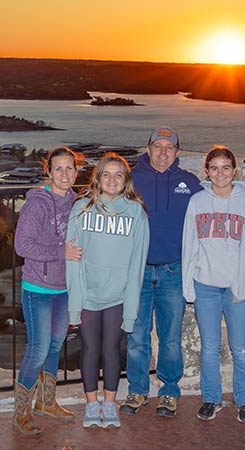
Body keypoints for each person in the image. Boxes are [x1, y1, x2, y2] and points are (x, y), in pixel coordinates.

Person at [121, 126, 201, 418]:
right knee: (137, 335)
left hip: (173, 272)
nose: (163, 152)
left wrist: (238, 192)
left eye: (169, 147)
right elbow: (103, 204)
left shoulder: (189, 182)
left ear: (177, 153)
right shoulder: (131, 179)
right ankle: (138, 391)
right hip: (138, 273)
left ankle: (168, 392)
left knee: (170, 337)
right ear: (148, 149)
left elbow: (210, 207)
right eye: (158, 146)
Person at [66, 153, 149, 428]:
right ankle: (91, 405)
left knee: (112, 349)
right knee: (89, 349)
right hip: (88, 295)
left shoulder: (136, 212)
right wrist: (74, 305)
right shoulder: (81, 208)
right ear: (97, 178)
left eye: (118, 175)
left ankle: (110, 405)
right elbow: (73, 261)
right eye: (106, 174)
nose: (112, 180)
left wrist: (131, 309)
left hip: (118, 297)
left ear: (125, 180)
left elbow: (137, 264)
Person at [182, 145, 245, 423]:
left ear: (234, 171)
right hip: (205, 285)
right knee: (210, 346)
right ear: (206, 171)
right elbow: (189, 246)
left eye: (225, 167)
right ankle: (211, 398)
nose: (220, 173)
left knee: (240, 346)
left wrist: (243, 287)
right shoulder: (197, 202)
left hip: (236, 286)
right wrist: (188, 285)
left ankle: (244, 400)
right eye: (214, 168)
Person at [12, 147, 80, 435]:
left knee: (55, 345)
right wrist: (60, 252)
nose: (64, 174)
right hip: (37, 288)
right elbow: (22, 246)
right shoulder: (37, 204)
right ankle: (21, 412)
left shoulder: (77, 202)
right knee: (38, 349)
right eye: (59, 169)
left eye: (69, 168)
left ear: (77, 172)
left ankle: (46, 402)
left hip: (64, 288)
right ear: (49, 172)